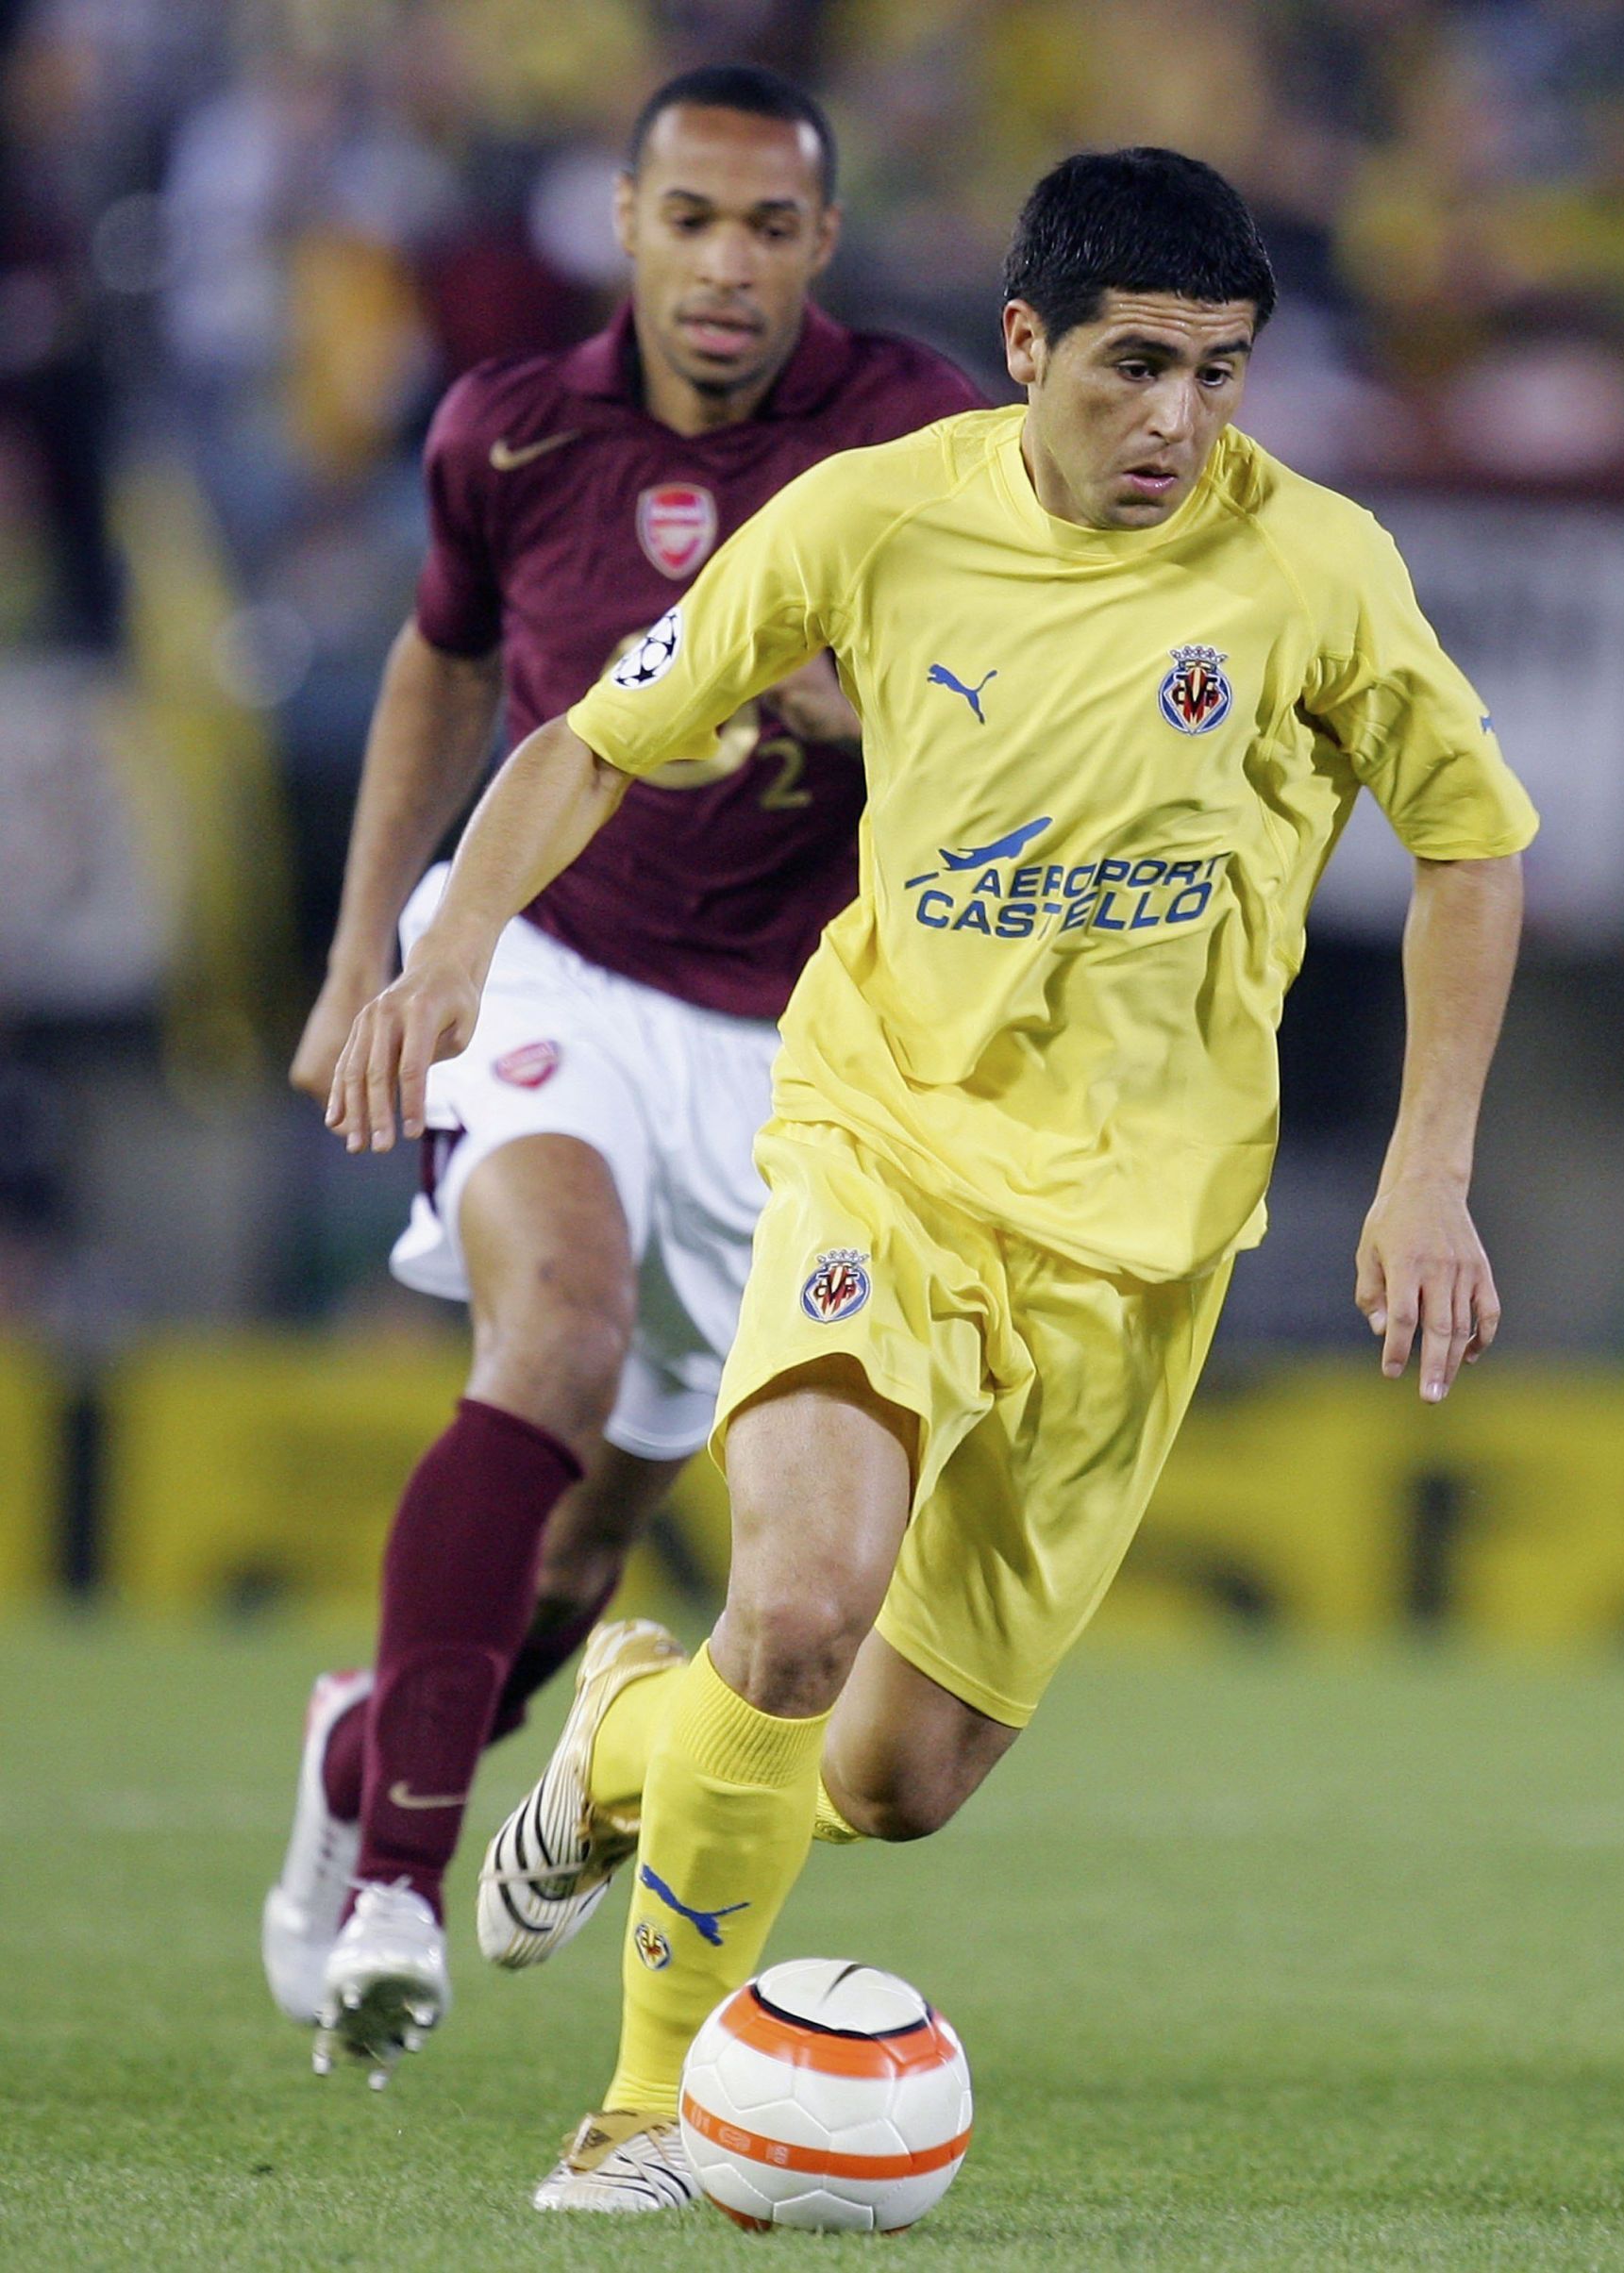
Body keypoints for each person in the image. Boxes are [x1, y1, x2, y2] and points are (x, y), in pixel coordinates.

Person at [329, 145, 1537, 2208]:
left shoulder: (1322, 572)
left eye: (1222, 373)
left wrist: (1429, 1167)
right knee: (794, 1616)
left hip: (1140, 1245)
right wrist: (440, 948)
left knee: (887, 1777)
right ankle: (638, 2114)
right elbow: (602, 727)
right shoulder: (873, 518)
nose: (1177, 421)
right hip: (882, 1143)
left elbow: (1469, 842)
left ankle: (621, 1721)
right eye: (1133, 367)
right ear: (1023, 347)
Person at [262, 61, 980, 2080]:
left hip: (800, 1054)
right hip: (557, 958)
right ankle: (398, 1878)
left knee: (581, 1561)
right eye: (693, 220)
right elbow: (440, 662)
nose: (728, 266)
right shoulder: (511, 428)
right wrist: (363, 951)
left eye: (770, 228)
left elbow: (1005, 702)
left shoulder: (924, 435)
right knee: (553, 1337)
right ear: (629, 229)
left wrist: (859, 715)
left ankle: (360, 1738)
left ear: (823, 245)